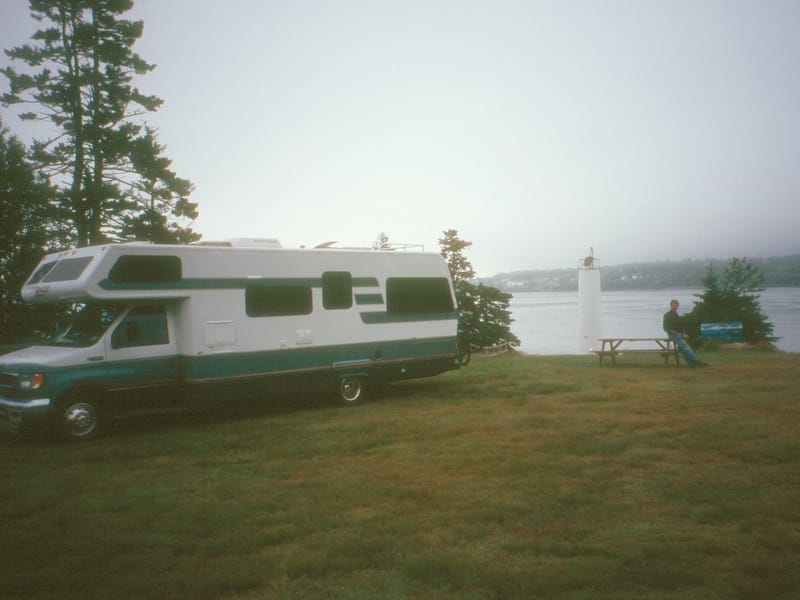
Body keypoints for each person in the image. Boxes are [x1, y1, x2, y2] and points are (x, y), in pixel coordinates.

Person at [663, 299, 708, 367]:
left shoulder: (676, 315)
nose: (674, 306)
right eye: (673, 305)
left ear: (678, 306)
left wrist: (682, 334)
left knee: (684, 348)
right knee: (685, 347)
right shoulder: (667, 315)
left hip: (678, 334)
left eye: (675, 305)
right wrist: (671, 331)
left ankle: (691, 363)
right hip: (672, 334)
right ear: (670, 305)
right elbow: (665, 327)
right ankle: (696, 361)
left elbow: (679, 326)